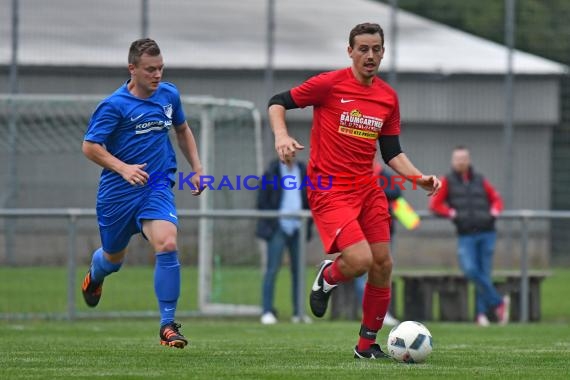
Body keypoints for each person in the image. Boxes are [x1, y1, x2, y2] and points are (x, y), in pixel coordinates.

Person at [267, 22, 441, 359]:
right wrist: (281, 136)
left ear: (383, 52)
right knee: (360, 260)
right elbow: (277, 102)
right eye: (363, 48)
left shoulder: (388, 97)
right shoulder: (330, 84)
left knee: (382, 264)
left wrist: (418, 178)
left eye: (376, 49)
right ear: (350, 51)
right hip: (329, 189)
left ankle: (366, 346)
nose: (370, 55)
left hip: (367, 188)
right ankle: (327, 276)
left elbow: (391, 152)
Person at [81, 38, 204, 348]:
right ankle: (95, 276)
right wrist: (123, 168)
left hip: (156, 186)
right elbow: (90, 147)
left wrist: (198, 168)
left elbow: (182, 130)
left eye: (161, 68)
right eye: (151, 69)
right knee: (113, 260)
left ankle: (167, 325)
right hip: (117, 194)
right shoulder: (114, 105)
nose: (158, 75)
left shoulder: (169, 94)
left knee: (168, 242)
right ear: (132, 69)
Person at [429, 146, 509, 327]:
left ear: (469, 160)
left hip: (487, 232)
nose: (461, 162)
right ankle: (498, 302)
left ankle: (481, 315)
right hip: (466, 234)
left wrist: (495, 210)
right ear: (452, 161)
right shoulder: (447, 181)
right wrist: (450, 212)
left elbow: (496, 198)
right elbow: (435, 205)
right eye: (457, 158)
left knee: (484, 274)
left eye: (464, 158)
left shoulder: (480, 179)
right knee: (470, 270)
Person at [256, 157, 312, 324]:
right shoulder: (271, 171)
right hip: (278, 226)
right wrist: (272, 222)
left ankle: (299, 313)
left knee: (298, 272)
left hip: (298, 227)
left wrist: (308, 222)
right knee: (272, 269)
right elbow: (262, 200)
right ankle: (267, 311)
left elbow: (311, 197)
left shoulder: (304, 171)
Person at [354, 162, 401, 326]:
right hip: (359, 231)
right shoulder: (354, 172)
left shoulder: (383, 174)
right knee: (362, 274)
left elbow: (396, 192)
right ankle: (368, 313)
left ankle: (380, 313)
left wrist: (373, 190)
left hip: (384, 231)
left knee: (382, 272)